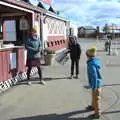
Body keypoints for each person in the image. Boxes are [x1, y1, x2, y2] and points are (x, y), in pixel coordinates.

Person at [86, 47, 103, 119]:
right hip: (96, 83)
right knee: (94, 96)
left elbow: (94, 75)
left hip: (96, 83)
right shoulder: (95, 61)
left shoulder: (91, 64)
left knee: (96, 99)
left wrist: (94, 86)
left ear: (88, 56)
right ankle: (93, 106)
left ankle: (97, 113)